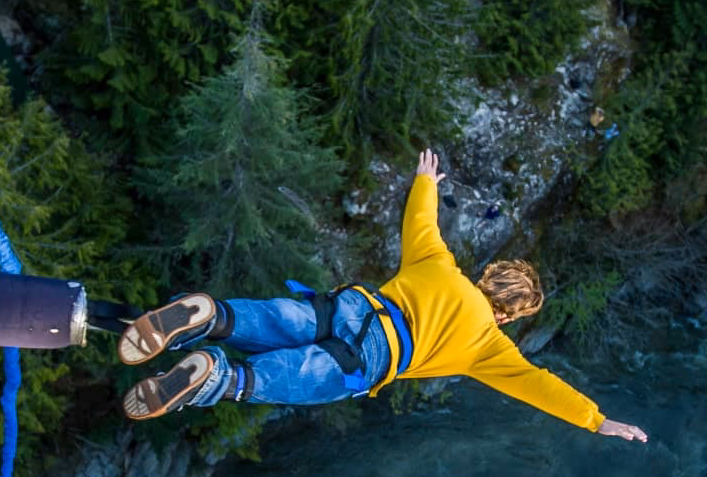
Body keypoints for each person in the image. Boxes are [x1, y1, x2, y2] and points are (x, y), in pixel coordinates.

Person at [117, 149, 648, 442]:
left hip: (354, 307)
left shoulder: (438, 264)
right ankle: (216, 375)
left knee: (281, 319)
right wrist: (597, 420)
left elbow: (421, 220)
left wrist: (427, 181)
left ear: (487, 275)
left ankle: (211, 315)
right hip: (373, 358)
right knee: (279, 379)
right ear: (508, 315)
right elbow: (539, 386)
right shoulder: (489, 346)